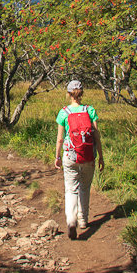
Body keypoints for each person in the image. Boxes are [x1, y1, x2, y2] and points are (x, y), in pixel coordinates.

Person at [54, 80, 104, 240]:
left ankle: (71, 220)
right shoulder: (90, 110)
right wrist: (101, 156)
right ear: (82, 93)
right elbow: (96, 135)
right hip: (88, 154)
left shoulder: (64, 112)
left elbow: (60, 139)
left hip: (70, 155)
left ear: (68, 94)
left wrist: (57, 156)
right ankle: (83, 220)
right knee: (85, 187)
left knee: (71, 189)